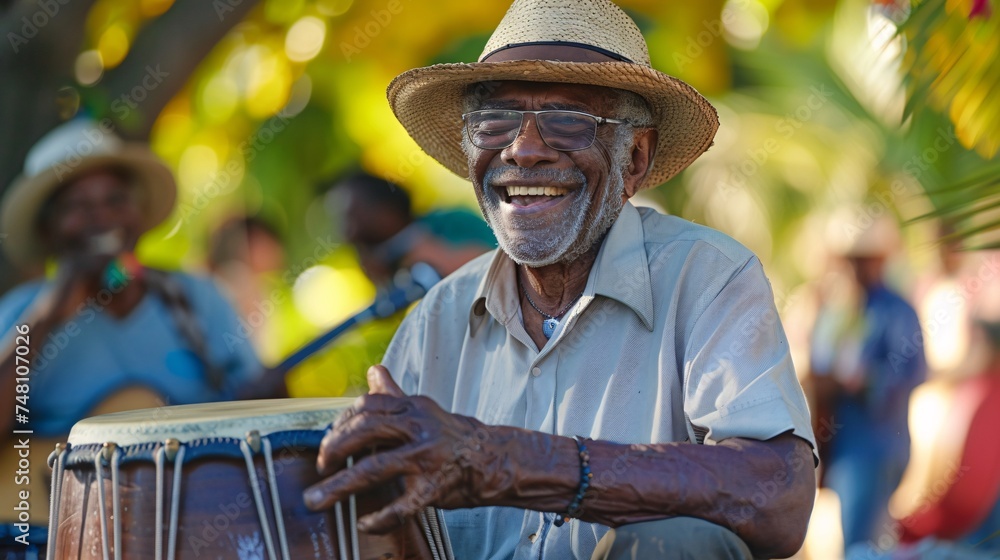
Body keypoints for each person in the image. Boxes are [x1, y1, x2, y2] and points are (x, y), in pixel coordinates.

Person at [302, 1, 818, 558]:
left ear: (636, 158)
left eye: (569, 120)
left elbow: (779, 495)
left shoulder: (707, 277)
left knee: (678, 541)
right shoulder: (439, 317)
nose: (522, 149)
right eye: (494, 121)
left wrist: (510, 460)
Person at [0, 119, 261, 533]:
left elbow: (263, 410)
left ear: (137, 213)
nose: (101, 217)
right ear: (47, 229)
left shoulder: (199, 300)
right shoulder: (19, 313)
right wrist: (48, 315)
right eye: (77, 206)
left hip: (198, 527)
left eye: (115, 199)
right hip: (57, 534)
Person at [809, 214, 926, 549]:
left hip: (876, 446)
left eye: (863, 258)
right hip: (842, 446)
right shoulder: (835, 312)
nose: (854, 267)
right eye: (849, 259)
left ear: (881, 259)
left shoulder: (895, 311)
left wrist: (859, 381)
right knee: (857, 542)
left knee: (862, 546)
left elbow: (911, 372)